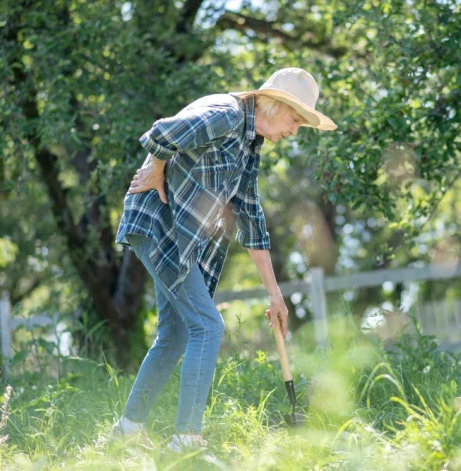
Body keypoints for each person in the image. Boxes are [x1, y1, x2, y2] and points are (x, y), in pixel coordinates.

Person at [110, 67, 336, 451]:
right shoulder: (227, 114)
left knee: (178, 333)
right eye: (296, 119)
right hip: (158, 227)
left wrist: (274, 295)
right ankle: (186, 440)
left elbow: (249, 216)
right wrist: (156, 169)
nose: (295, 130)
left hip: (179, 240)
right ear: (274, 103)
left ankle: (127, 432)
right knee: (207, 326)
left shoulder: (250, 146)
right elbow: (163, 132)